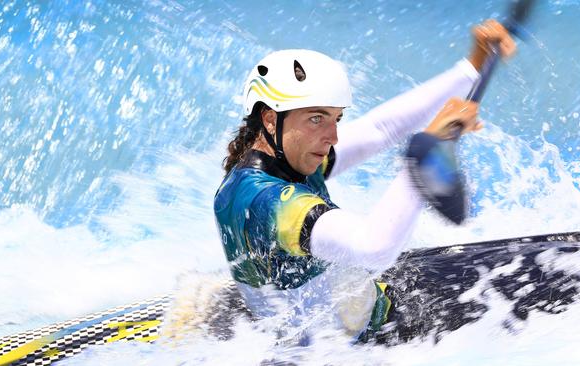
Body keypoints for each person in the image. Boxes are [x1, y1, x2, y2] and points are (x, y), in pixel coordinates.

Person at [214, 20, 516, 344]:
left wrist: (472, 68)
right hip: (353, 347)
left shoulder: (286, 156)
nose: (332, 136)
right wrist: (429, 147)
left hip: (340, 316)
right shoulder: (269, 202)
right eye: (317, 118)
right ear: (271, 118)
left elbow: (380, 129)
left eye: (336, 118)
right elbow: (375, 248)